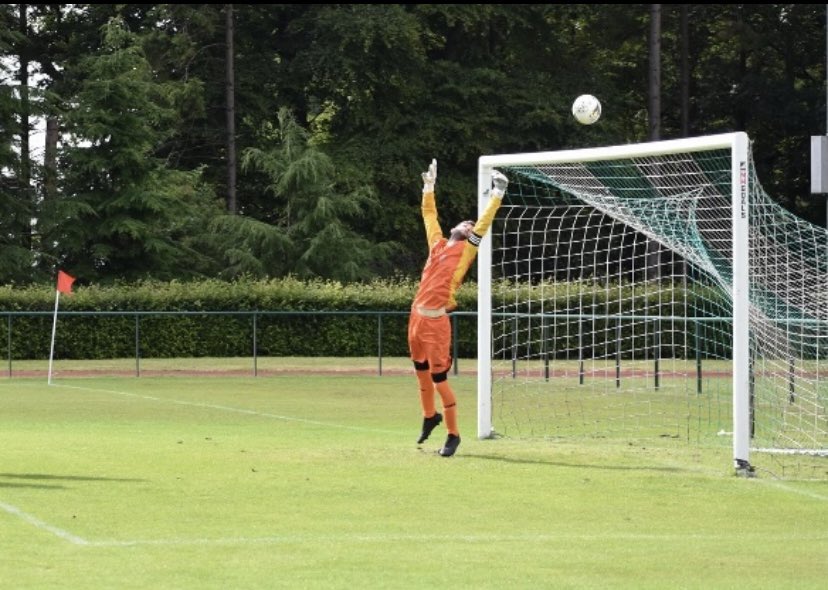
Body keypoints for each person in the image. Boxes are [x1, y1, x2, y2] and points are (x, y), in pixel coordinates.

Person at [408, 158, 508, 457]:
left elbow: (483, 223)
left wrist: (497, 195)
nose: (466, 223)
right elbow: (428, 215)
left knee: (440, 380)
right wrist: (428, 186)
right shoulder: (437, 244)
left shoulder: (468, 248)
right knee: (420, 372)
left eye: (468, 224)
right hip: (415, 319)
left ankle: (453, 435)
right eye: (465, 222)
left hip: (437, 324)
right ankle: (429, 416)